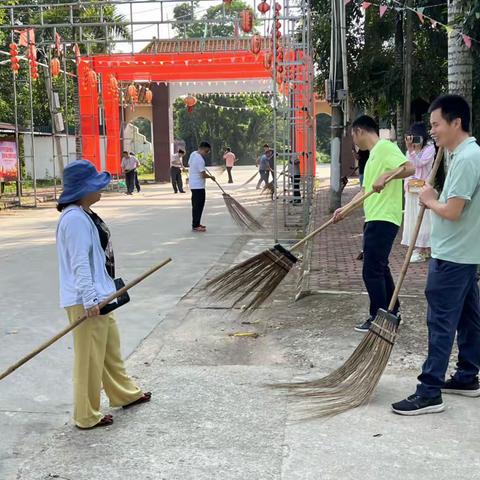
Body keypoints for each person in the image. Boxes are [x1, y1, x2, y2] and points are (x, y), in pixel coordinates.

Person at [392, 95, 480, 416]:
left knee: (440, 321)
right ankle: (468, 375)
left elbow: (453, 211)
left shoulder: (468, 158)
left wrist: (429, 199)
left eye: (436, 124)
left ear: (456, 122)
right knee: (470, 317)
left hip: (453, 255)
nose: (432, 132)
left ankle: (429, 391)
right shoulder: (465, 154)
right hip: (465, 252)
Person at [56, 160, 151, 429]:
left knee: (110, 349)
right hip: (87, 300)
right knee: (88, 359)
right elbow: (79, 263)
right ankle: (85, 415)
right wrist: (89, 300)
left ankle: (124, 394)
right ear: (83, 189)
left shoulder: (84, 213)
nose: (101, 188)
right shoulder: (74, 219)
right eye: (96, 184)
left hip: (101, 294)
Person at [333, 115, 414, 332]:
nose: (354, 141)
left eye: (353, 135)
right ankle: (391, 311)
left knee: (371, 270)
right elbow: (363, 192)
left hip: (384, 217)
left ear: (359, 131)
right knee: (379, 266)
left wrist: (388, 174)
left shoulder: (385, 147)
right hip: (374, 218)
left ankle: (377, 317)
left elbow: (409, 168)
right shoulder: (371, 158)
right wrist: (345, 210)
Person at [401, 123, 436, 263]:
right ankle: (419, 248)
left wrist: (411, 151)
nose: (414, 141)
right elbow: (408, 168)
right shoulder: (410, 151)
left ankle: (423, 248)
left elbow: (420, 164)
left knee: (425, 219)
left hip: (423, 188)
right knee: (412, 218)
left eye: (417, 138)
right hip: (411, 189)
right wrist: (406, 184)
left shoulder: (430, 148)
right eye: (412, 138)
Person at [188, 141, 215, 232]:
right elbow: (203, 175)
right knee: (198, 206)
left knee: (196, 205)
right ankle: (195, 225)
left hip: (193, 184)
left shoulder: (193, 154)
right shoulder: (200, 159)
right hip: (198, 186)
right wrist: (211, 177)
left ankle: (197, 223)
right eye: (206, 151)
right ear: (202, 149)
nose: (207, 154)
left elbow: (190, 164)